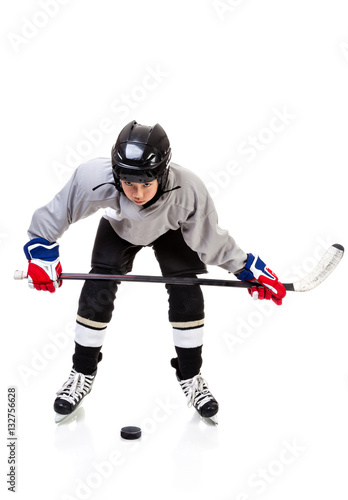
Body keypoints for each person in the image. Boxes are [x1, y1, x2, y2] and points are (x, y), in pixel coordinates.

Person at [23, 120, 286, 423]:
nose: (137, 193)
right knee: (98, 287)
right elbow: (52, 218)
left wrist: (246, 268)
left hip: (171, 231)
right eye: (129, 184)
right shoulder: (92, 178)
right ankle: (82, 372)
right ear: (115, 173)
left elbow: (211, 240)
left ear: (162, 174)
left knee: (186, 289)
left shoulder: (188, 189)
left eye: (146, 184)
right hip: (120, 228)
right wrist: (41, 254)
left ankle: (191, 376)